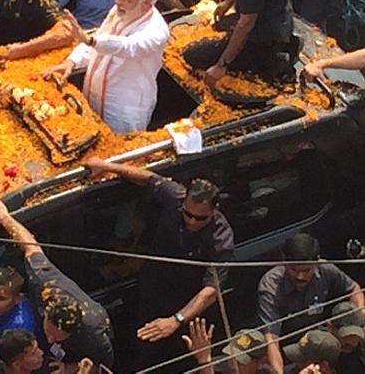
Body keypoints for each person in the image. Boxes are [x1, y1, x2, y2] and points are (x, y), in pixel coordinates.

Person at [84, 160, 234, 371]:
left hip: (185, 308)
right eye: (187, 214)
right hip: (151, 293)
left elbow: (210, 290)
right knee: (144, 352)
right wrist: (108, 166)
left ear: (214, 210)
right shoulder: (175, 197)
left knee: (178, 361)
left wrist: (176, 320)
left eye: (200, 218)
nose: (191, 221)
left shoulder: (220, 237)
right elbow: (148, 178)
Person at [0, 197, 115, 369]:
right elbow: (30, 246)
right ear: (46, 311)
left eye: (57, 337)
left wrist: (69, 368)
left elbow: (102, 368)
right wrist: (3, 217)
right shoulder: (45, 284)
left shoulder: (94, 333)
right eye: (49, 332)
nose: (50, 339)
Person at [44, 0, 169, 132]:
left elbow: (127, 47)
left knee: (117, 150)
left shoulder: (157, 30)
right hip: (91, 93)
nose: (119, 3)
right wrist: (72, 61)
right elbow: (98, 40)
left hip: (123, 107)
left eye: (127, 0)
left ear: (146, 4)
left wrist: (89, 40)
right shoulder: (118, 10)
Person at [257, 233, 364, 374]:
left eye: (306, 271)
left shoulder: (327, 270)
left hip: (322, 341)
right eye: (294, 270)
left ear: (317, 263)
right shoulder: (271, 286)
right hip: (292, 349)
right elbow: (271, 339)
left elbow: (353, 289)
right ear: (284, 262)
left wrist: (360, 319)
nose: (300, 276)